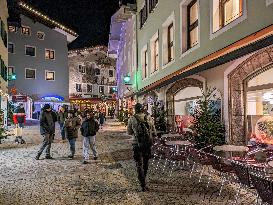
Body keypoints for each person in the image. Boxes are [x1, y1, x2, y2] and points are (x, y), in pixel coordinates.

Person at [127, 103, 156, 192]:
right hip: (147, 143)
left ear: (135, 109)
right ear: (143, 109)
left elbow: (129, 132)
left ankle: (142, 184)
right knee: (146, 162)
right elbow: (154, 131)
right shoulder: (148, 117)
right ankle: (144, 177)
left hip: (136, 144)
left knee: (138, 164)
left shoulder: (132, 119)